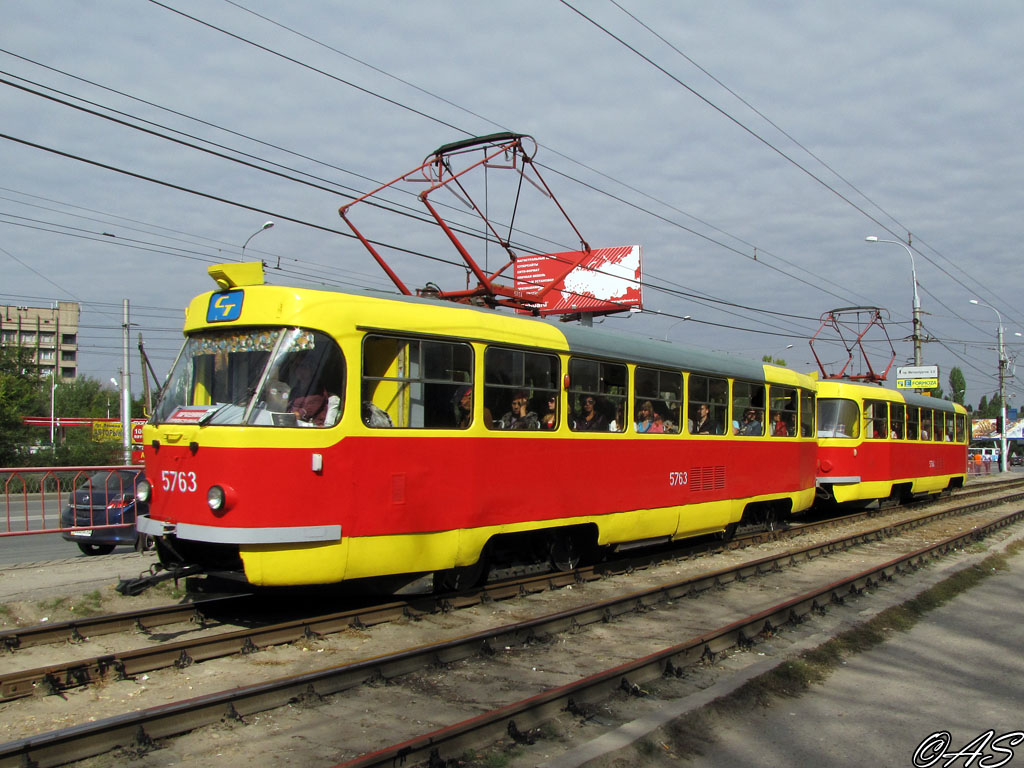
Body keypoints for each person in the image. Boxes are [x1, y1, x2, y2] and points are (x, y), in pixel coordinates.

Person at [285, 353, 330, 426]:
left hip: (311, 428)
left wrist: (288, 416)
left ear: (311, 368)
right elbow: (287, 408)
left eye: (303, 366)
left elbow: (303, 414)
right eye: (296, 365)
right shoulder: (295, 390)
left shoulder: (317, 391)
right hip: (293, 425)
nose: (298, 369)